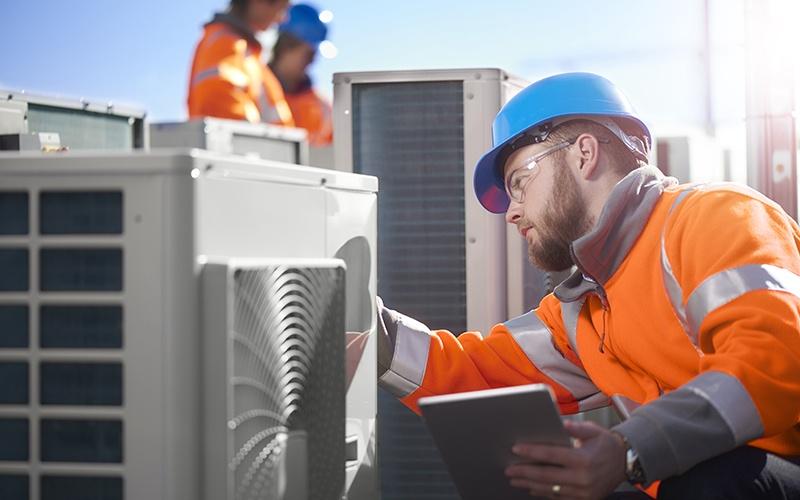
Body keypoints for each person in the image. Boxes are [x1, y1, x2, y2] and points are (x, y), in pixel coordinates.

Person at [375, 72, 800, 499]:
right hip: (691, 483)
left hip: (762, 473)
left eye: (519, 184)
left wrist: (629, 448)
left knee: (714, 479)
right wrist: (377, 338)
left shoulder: (716, 217)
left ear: (584, 154)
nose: (512, 213)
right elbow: (480, 373)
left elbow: (773, 361)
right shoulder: (583, 305)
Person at [187, 0, 294, 126]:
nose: (282, 19)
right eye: (282, 8)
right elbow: (220, 108)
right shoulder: (225, 44)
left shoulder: (249, 54)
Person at [269, 3, 333, 146]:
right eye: (309, 55)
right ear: (286, 46)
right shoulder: (254, 90)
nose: (312, 62)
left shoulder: (323, 108)